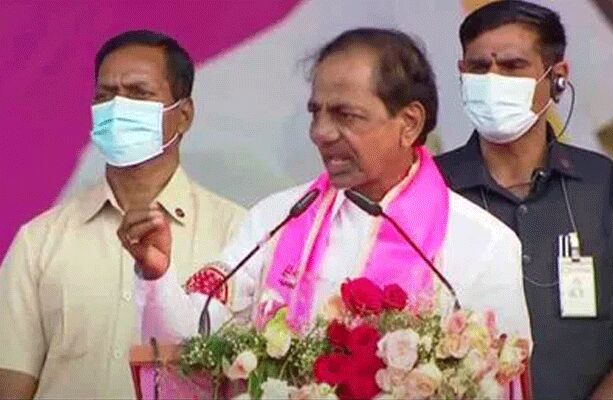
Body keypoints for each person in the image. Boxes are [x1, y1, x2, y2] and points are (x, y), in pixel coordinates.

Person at [122, 28, 531, 361]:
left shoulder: (482, 244)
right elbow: (195, 341)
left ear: (409, 123)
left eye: (345, 115)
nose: (321, 133)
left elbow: (501, 378)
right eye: (315, 112)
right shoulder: (276, 219)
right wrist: (157, 278)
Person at [0, 30, 245, 399]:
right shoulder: (39, 241)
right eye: (105, 95)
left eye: (138, 93)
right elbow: (12, 383)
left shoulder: (236, 234)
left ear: (183, 116)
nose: (117, 108)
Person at [435, 2, 613, 399]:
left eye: (512, 66)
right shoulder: (428, 192)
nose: (493, 80)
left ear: (558, 78)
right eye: (479, 68)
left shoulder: (611, 191)